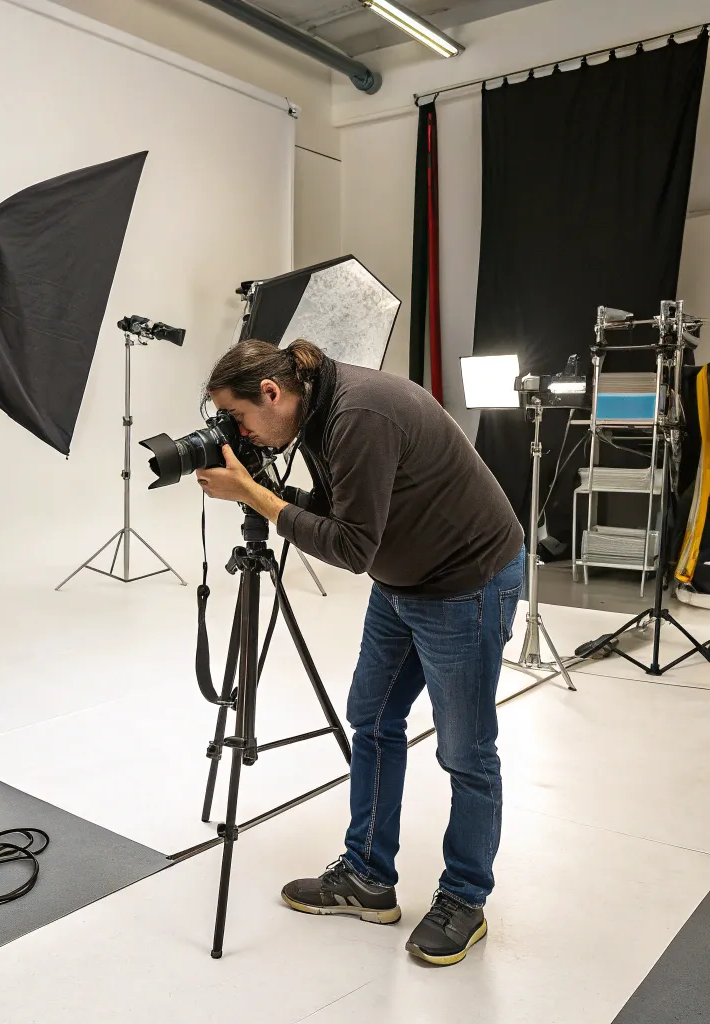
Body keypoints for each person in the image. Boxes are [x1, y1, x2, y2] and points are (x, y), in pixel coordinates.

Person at [194, 338, 525, 967]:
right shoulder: (313, 410)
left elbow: (351, 548)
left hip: (466, 585)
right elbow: (344, 509)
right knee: (371, 720)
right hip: (403, 581)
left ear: (272, 392)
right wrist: (263, 484)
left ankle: (464, 899)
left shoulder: (359, 417)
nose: (240, 433)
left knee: (466, 750)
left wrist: (255, 496)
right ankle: (368, 878)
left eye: (240, 419)